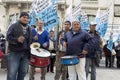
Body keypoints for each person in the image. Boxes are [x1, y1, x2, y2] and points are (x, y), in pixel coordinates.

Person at [6, 12, 32, 80]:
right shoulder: (13, 26)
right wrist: (17, 40)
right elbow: (8, 37)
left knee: (23, 72)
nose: (25, 19)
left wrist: (33, 39)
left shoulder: (29, 28)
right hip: (15, 53)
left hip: (26, 54)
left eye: (27, 18)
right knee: (12, 73)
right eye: (24, 17)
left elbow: (29, 41)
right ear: (20, 18)